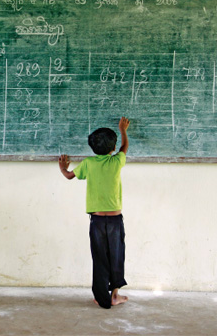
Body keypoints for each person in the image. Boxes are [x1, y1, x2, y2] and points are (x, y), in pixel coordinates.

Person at [58, 117, 130, 309]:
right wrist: (123, 130)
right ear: (112, 148)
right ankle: (114, 295)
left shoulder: (89, 163)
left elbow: (69, 176)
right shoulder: (117, 161)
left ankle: (101, 297)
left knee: (99, 258)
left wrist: (63, 168)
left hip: (97, 221)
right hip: (115, 220)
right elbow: (125, 148)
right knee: (116, 256)